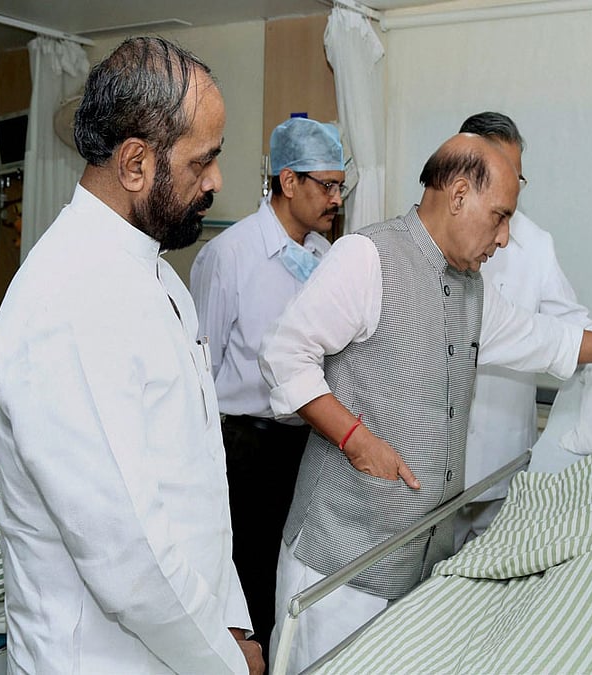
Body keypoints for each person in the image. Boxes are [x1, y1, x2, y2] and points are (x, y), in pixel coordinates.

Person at [259, 132, 592, 672]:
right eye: (500, 217)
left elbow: (544, 338)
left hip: (417, 558)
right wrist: (356, 441)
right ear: (458, 195)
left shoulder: (470, 288)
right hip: (341, 562)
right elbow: (284, 354)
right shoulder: (368, 256)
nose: (505, 237)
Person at [0, 37, 263, 674]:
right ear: (135, 163)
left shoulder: (154, 272)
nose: (216, 181)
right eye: (202, 161)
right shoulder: (67, 300)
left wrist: (229, 619)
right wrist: (225, 659)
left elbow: (197, 482)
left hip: (181, 641)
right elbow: (126, 554)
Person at [190, 116, 345, 670]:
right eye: (327, 185)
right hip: (246, 448)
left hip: (308, 443)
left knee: (293, 582)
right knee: (249, 583)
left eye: (341, 186)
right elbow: (200, 368)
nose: (336, 199)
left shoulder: (327, 258)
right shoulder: (229, 256)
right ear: (288, 181)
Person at [455, 111, 592, 550]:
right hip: (431, 468)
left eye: (517, 176)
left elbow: (570, 326)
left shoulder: (535, 244)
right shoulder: (428, 237)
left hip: (501, 464)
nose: (510, 185)